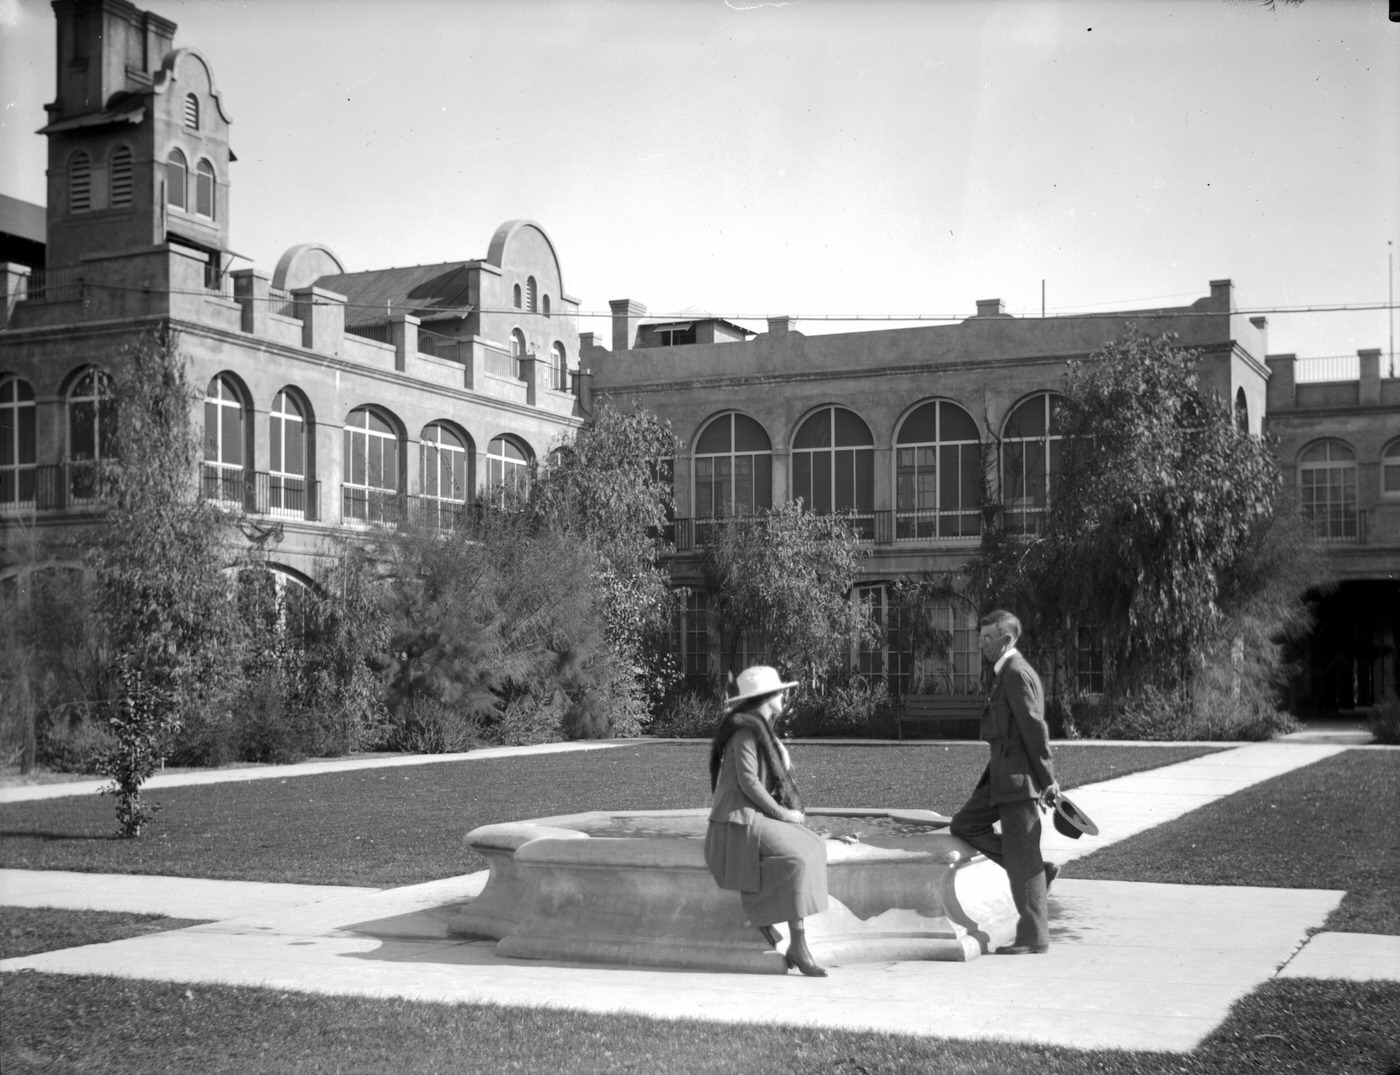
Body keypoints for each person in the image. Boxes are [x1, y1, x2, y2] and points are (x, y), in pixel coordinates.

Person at [705, 665, 830, 977]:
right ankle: (792, 940)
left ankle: (789, 938)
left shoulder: (759, 729)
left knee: (813, 845)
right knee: (800, 855)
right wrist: (784, 814)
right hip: (738, 820)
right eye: (780, 692)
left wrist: (784, 815)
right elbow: (749, 783)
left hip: (754, 816)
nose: (784, 696)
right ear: (767, 697)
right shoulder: (745, 731)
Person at [950, 610, 1061, 955]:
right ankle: (1036, 871)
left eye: (987, 638)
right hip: (1001, 776)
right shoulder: (1006, 672)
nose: (980, 644)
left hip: (1018, 782)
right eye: (980, 636)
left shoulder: (1014, 673)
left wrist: (1048, 780)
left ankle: (1033, 937)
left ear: (1007, 640)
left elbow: (1034, 729)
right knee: (965, 824)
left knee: (1021, 854)